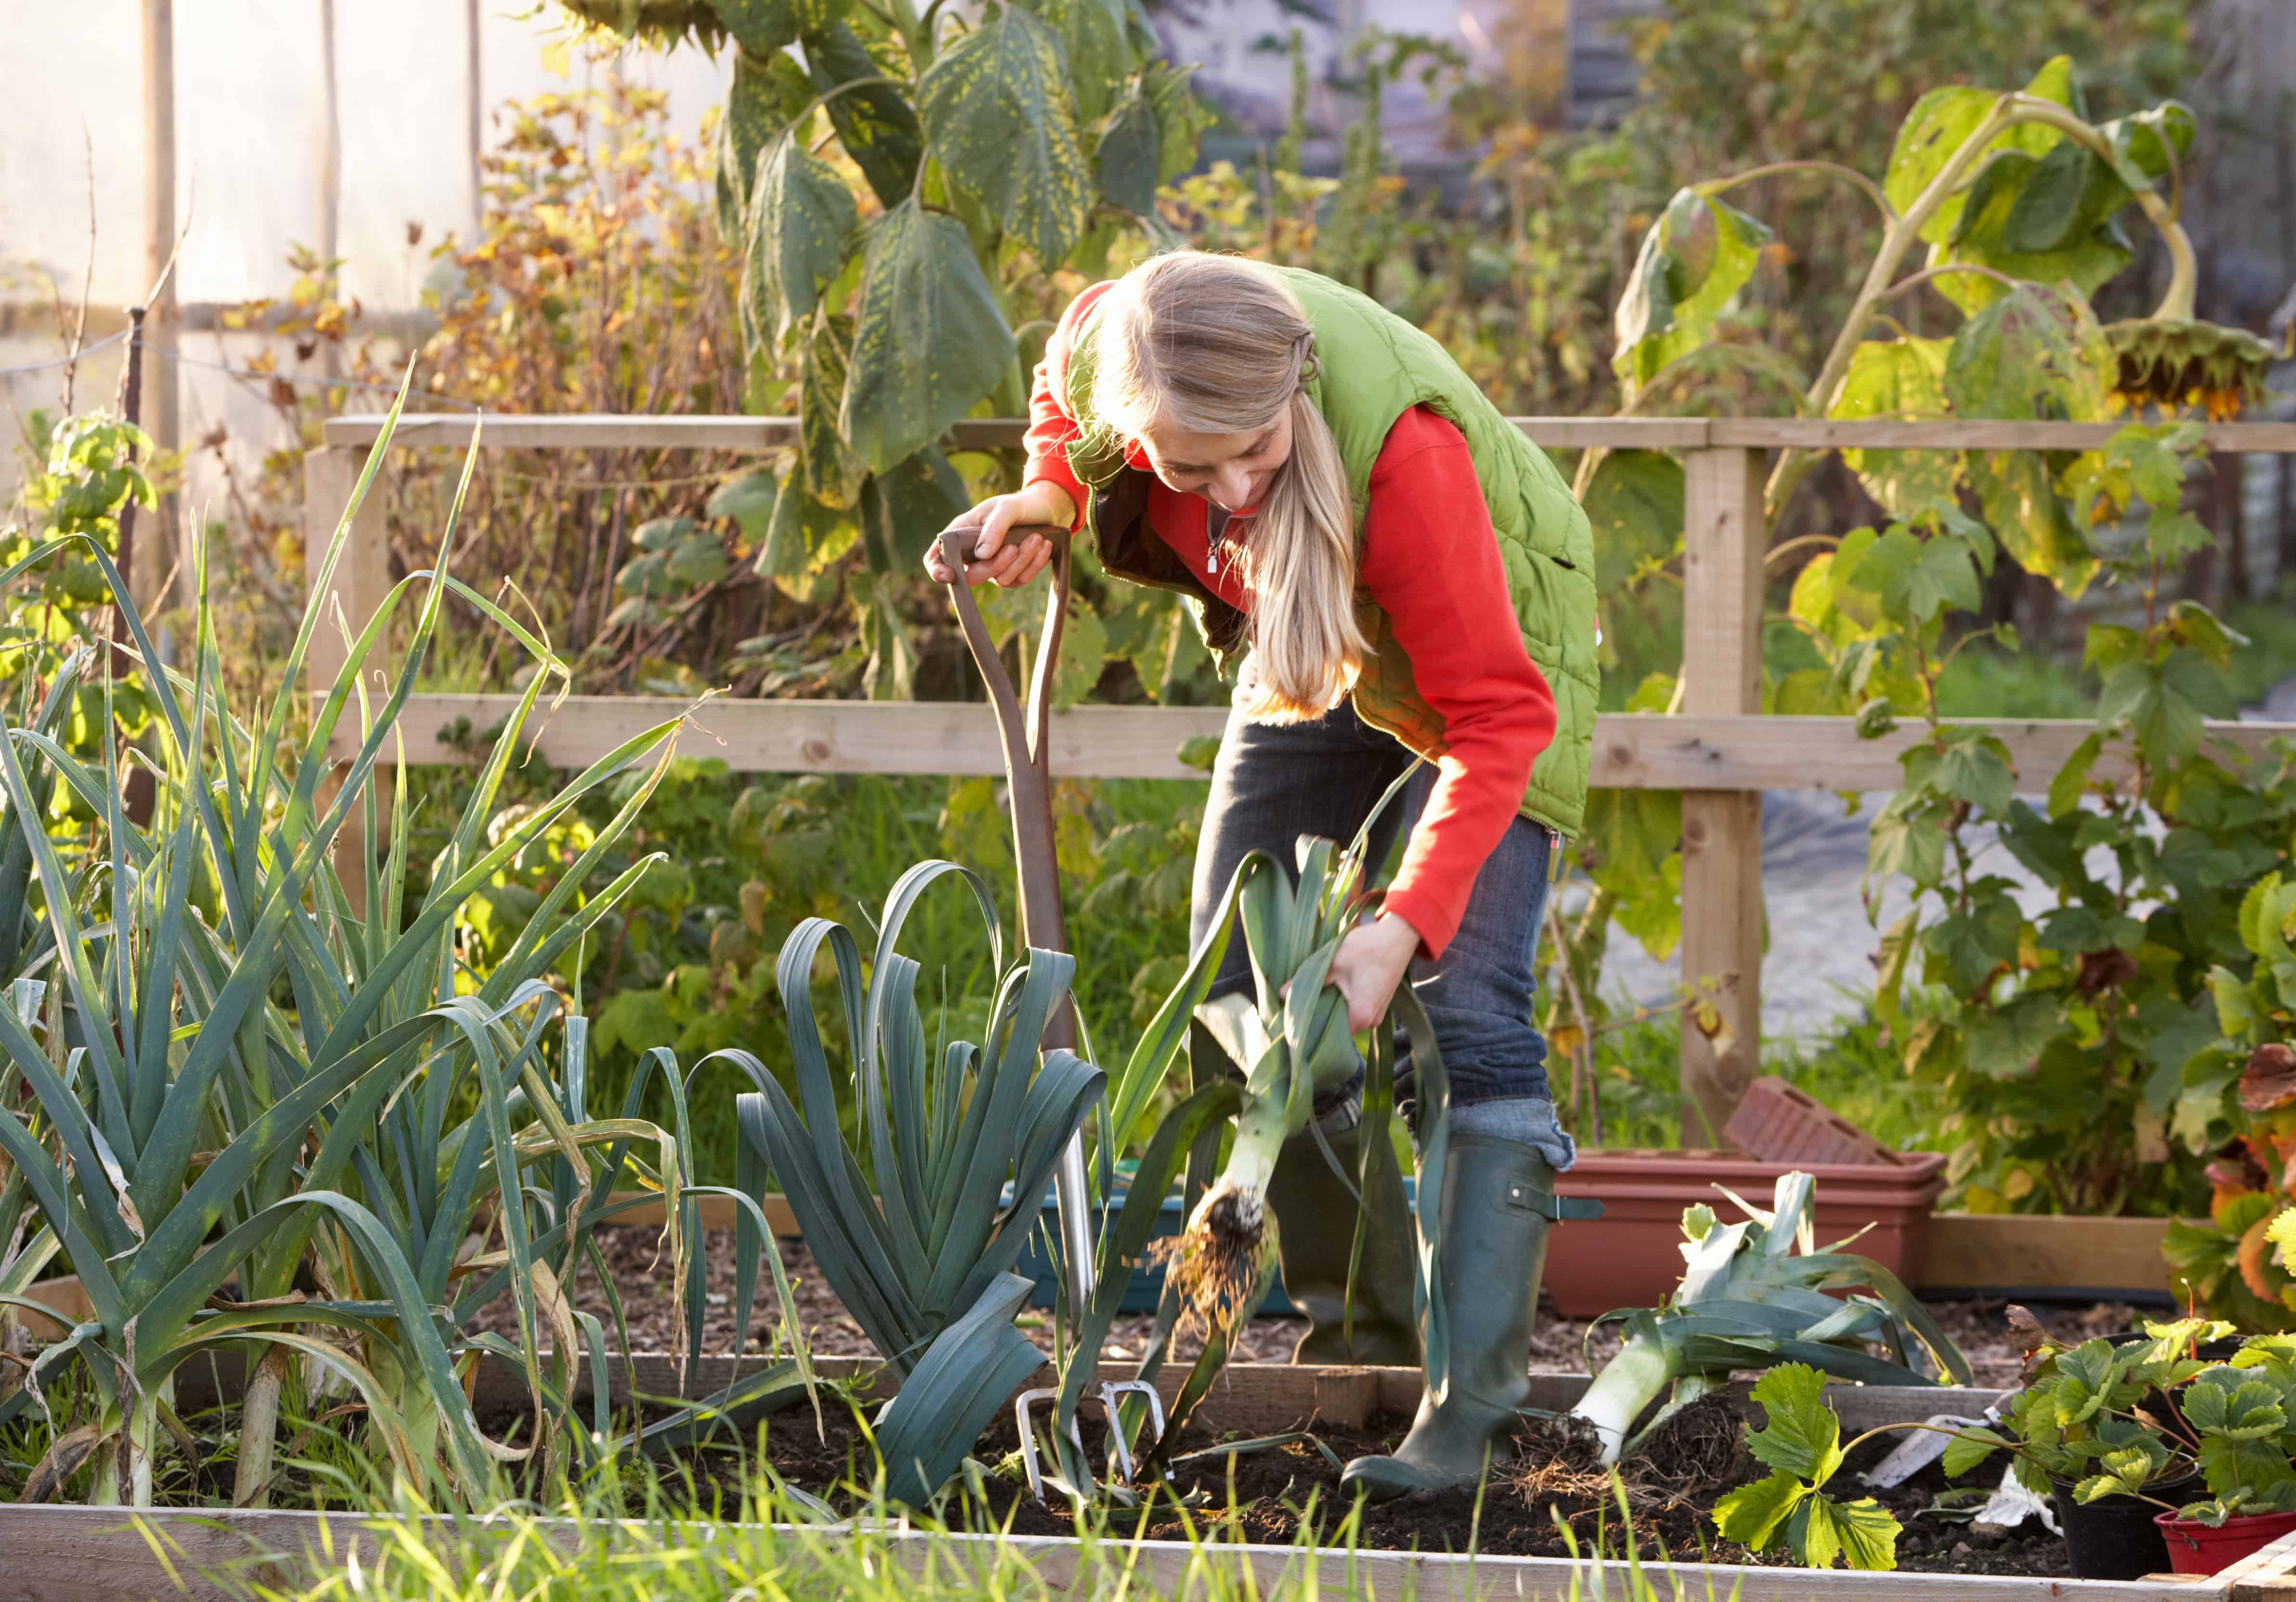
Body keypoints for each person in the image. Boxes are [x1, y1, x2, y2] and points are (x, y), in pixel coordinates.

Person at [926, 250, 1600, 1500]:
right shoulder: (1110, 341)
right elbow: (1065, 403)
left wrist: (1402, 923)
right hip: (1307, 624)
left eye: (1253, 448)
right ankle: (1368, 1347)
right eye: (1188, 468)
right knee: (1243, 993)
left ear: (1290, 385)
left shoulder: (1402, 461)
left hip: (1484, 648)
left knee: (1466, 1009)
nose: (1230, 485)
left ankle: (1468, 1424)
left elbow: (1498, 719)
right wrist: (1042, 499)